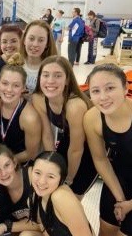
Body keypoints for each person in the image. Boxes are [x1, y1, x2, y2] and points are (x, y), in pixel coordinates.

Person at [32, 55, 97, 196]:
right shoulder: (39, 99)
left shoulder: (74, 106)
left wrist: (67, 179)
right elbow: (47, 135)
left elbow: (77, 149)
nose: (50, 81)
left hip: (90, 150)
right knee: (53, 194)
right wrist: (52, 166)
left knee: (72, 196)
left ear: (67, 80)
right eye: (46, 75)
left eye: (57, 76)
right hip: (68, 140)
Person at [84, 63, 132, 236]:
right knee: (106, 231)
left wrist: (129, 205)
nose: (103, 97)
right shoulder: (93, 119)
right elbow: (101, 160)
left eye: (110, 88)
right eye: (96, 91)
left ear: (125, 88)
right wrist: (120, 200)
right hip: (118, 180)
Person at [29, 151, 94, 235]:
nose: (42, 182)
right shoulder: (40, 194)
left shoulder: (61, 197)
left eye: (51, 176)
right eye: (37, 173)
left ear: (61, 179)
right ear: (31, 171)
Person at [0, 53, 41, 165]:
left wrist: (5, 163)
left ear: (24, 88)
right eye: (5, 83)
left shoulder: (29, 117)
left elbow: (31, 153)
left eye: (16, 85)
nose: (9, 89)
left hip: (19, 164)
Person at [0, 144, 42, 236]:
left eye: (7, 165)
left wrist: (5, 226)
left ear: (14, 163)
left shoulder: (34, 177)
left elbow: (42, 224)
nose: (3, 173)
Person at [20, 20, 57, 94]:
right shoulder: (15, 64)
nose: (35, 44)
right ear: (24, 40)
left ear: (47, 44)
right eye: (31, 39)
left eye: (41, 40)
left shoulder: (55, 68)